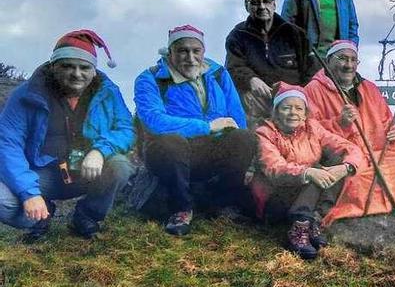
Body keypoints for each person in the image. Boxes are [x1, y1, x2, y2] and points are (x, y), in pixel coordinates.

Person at [0, 30, 135, 242]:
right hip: (41, 176)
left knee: (120, 166)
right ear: (53, 66)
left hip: (87, 172)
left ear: (94, 70)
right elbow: (8, 145)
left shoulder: (108, 92)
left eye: (84, 67)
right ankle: (41, 218)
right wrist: (30, 193)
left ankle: (86, 217)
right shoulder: (25, 96)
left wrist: (100, 151)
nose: (76, 74)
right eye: (67, 66)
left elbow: (126, 129)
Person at [134, 25, 257, 236]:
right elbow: (154, 121)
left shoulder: (217, 73)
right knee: (170, 142)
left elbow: (236, 116)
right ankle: (181, 208)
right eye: (183, 51)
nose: (190, 57)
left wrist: (249, 163)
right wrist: (207, 127)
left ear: (204, 51)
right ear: (170, 51)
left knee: (243, 138)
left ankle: (222, 204)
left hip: (209, 150)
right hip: (170, 153)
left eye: (196, 51)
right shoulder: (150, 79)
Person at [304, 40, 395, 223]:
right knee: (353, 176)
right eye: (342, 58)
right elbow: (309, 131)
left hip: (375, 151)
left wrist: (394, 134)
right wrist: (339, 123)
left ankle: (380, 205)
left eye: (353, 60)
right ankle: (354, 208)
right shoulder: (313, 90)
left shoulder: (370, 88)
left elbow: (386, 121)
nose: (348, 65)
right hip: (346, 156)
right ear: (328, 61)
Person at [252, 83, 364, 260]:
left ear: (305, 113)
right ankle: (300, 224)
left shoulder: (313, 128)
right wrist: (309, 172)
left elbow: (349, 147)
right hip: (275, 198)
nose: (293, 113)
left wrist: (345, 168)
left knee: (337, 161)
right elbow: (275, 169)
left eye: (298, 108)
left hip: (305, 195)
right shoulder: (265, 133)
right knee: (316, 171)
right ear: (276, 111)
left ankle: (314, 220)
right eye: (286, 108)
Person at [225, 0, 311, 125]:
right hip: (260, 100)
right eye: (255, 2)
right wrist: (251, 79)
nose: (262, 6)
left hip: (294, 99)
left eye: (266, 1)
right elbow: (233, 67)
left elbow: (311, 69)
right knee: (246, 97)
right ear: (247, 6)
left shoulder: (296, 33)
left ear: (274, 4)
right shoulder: (237, 35)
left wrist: (298, 94)